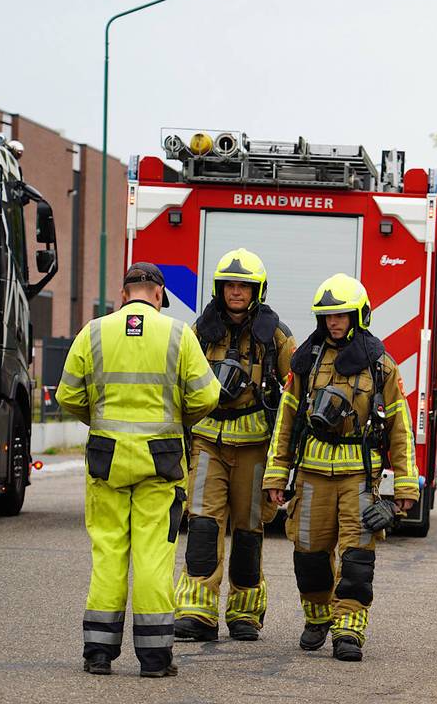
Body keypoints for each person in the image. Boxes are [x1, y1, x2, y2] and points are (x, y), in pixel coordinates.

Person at [56, 262, 220, 678]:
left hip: (107, 459)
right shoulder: (178, 334)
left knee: (109, 554)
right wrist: (178, 418)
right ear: (159, 294)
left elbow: (67, 395)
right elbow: (208, 396)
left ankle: (98, 653)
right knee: (153, 558)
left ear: (124, 293)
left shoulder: (93, 332)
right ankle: (154, 658)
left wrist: (100, 418)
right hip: (160, 461)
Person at [263, 273, 419, 662]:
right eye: (328, 316)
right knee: (309, 555)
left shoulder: (380, 365)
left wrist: (405, 485)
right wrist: (276, 474)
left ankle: (348, 628)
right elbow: (286, 421)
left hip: (359, 479)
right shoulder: (305, 361)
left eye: (341, 315)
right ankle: (318, 617)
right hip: (311, 476)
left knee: (356, 559)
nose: (333, 322)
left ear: (358, 315)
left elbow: (400, 427)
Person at [173, 249, 294, 642]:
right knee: (203, 526)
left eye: (244, 286)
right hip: (207, 442)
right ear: (219, 289)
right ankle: (196, 610)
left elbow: (296, 394)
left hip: (255, 447)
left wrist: (287, 457)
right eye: (229, 285)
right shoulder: (200, 331)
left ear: (257, 291)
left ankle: (245, 612)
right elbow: (179, 382)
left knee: (247, 532)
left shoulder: (277, 337)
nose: (236, 292)